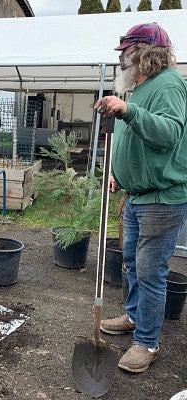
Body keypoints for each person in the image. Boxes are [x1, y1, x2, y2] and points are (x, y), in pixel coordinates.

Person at [95, 22, 187, 373]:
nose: (121, 61)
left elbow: (168, 134)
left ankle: (147, 342)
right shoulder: (143, 88)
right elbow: (139, 142)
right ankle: (134, 317)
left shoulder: (169, 84)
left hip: (162, 199)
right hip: (137, 196)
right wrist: (121, 174)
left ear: (147, 54)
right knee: (132, 263)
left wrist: (128, 111)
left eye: (127, 54)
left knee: (150, 272)